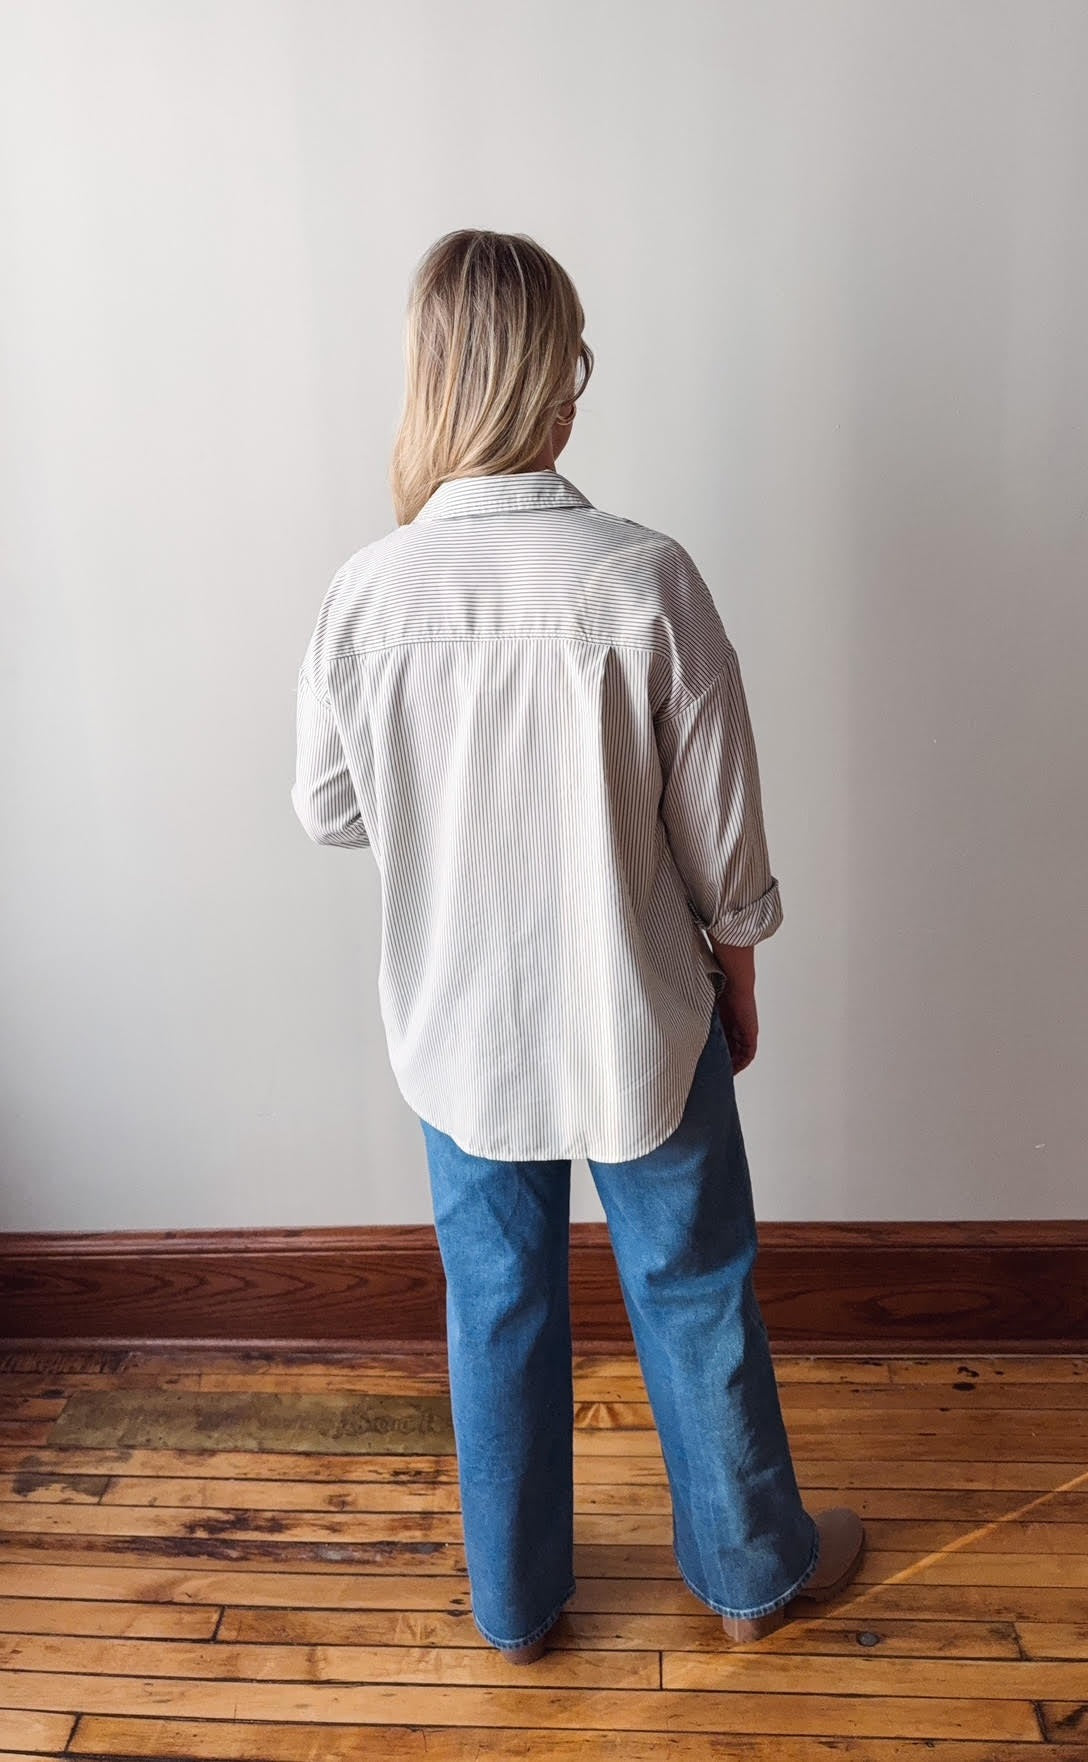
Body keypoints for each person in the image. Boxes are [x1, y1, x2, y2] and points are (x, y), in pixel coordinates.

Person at [292, 228, 865, 1662]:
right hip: (638, 1007)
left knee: (497, 1301)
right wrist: (739, 967)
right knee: (691, 1282)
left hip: (460, 1016)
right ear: (548, 379)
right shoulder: (638, 576)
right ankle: (748, 1574)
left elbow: (326, 806)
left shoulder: (367, 592)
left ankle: (516, 1605)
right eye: (576, 363)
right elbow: (720, 827)